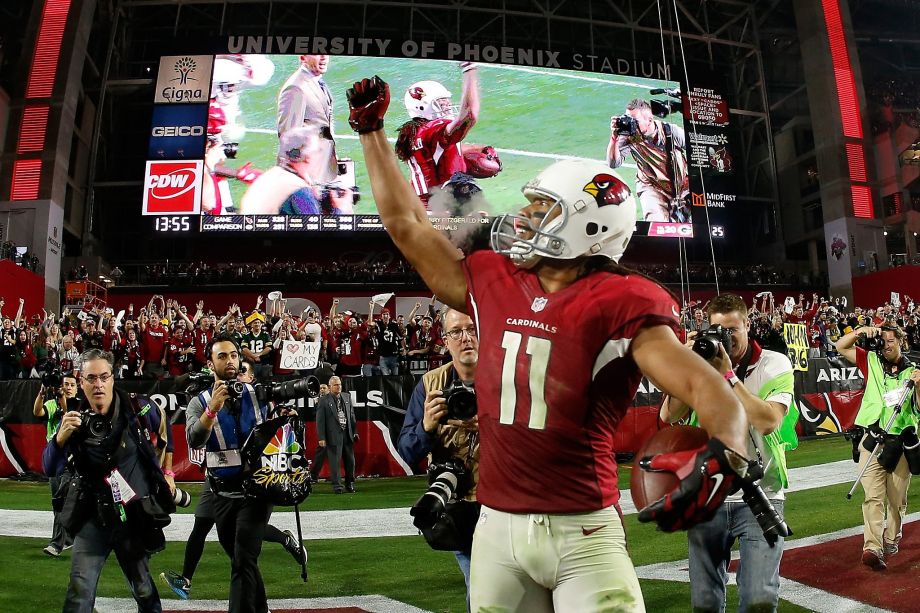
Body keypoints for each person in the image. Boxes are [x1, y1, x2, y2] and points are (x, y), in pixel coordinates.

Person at [347, 76, 752, 612]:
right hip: (494, 528)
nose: (525, 217)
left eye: (543, 209)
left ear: (587, 228)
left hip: (583, 533)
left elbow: (706, 388)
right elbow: (406, 224)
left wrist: (729, 454)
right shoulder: (492, 280)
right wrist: (370, 132)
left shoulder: (619, 300)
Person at [660, 293, 795, 612]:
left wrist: (728, 376)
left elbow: (768, 421)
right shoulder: (701, 364)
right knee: (705, 600)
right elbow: (670, 415)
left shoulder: (773, 363)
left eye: (733, 329)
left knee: (758, 597)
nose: (727, 338)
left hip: (762, 494)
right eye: (720, 330)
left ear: (748, 325)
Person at [161, 358, 306, 600]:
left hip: (251, 482)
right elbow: (195, 436)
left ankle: (282, 540)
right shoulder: (214, 396)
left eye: (242, 373)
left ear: (251, 378)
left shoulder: (259, 403)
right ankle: (188, 579)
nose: (236, 378)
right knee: (210, 532)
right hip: (217, 478)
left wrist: (283, 415)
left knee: (243, 553)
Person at [42, 349, 174, 613]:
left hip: (132, 516)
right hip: (92, 516)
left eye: (104, 376)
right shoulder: (74, 418)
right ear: (81, 381)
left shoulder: (139, 408)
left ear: (113, 378)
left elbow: (165, 432)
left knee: (143, 588)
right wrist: (59, 439)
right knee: (79, 591)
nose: (98, 384)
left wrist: (167, 474)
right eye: (91, 378)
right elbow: (49, 467)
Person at [185, 333, 275, 613]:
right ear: (210, 364)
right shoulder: (199, 402)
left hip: (258, 489)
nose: (230, 361)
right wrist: (212, 410)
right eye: (222, 356)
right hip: (222, 493)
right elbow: (194, 440)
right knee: (241, 559)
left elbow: (275, 434)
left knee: (243, 560)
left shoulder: (258, 395)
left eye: (234, 355)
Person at [397, 307, 480, 603]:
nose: (466, 338)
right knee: (482, 588)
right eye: (456, 332)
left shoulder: (506, 377)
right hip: (457, 503)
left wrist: (494, 426)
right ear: (445, 340)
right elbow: (407, 450)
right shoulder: (430, 385)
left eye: (471, 329)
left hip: (506, 501)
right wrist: (426, 426)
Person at [835, 324, 920, 571]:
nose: (886, 345)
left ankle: (892, 538)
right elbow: (841, 345)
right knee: (873, 496)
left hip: (900, 444)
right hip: (872, 439)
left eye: (891, 341)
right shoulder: (870, 359)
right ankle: (872, 547)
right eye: (883, 340)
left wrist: (918, 385)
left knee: (896, 500)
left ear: (901, 343)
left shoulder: (914, 372)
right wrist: (863, 330)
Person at [394, 62, 479, 205]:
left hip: (420, 204)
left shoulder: (412, 132)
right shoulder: (432, 130)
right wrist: (469, 69)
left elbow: (430, 162)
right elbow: (469, 116)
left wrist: (463, 155)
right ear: (422, 107)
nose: (447, 106)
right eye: (441, 103)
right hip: (440, 207)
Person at [240, 123, 353, 216]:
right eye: (318, 151)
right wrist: (340, 210)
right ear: (308, 158)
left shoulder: (272, 175)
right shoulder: (299, 191)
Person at [607, 98, 690, 222]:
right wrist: (614, 138)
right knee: (656, 224)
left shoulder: (671, 131)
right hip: (651, 186)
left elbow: (697, 150)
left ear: (649, 119)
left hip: (681, 185)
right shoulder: (629, 136)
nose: (630, 123)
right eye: (627, 118)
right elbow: (613, 163)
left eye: (634, 120)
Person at [33, 371, 79, 556]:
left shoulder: (79, 405)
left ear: (77, 388)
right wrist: (43, 392)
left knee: (61, 500)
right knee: (57, 502)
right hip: (54, 459)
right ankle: (67, 538)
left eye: (71, 385)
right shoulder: (52, 405)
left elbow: (69, 413)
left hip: (72, 459)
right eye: (65, 384)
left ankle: (57, 543)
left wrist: (61, 396)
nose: (67, 387)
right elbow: (37, 412)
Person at [277, 54, 338, 184]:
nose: (324, 57)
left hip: (322, 170)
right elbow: (289, 138)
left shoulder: (317, 81)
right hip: (308, 177)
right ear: (302, 57)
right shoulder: (295, 88)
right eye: (317, 53)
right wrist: (301, 180)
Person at [313, 376, 358, 493]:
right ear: (330, 387)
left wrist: (355, 432)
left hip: (347, 434)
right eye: (336, 385)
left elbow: (352, 416)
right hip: (332, 436)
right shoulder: (323, 400)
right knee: (335, 463)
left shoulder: (347, 397)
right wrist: (321, 437)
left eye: (340, 384)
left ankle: (350, 483)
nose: (339, 387)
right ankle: (337, 486)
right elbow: (320, 421)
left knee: (350, 462)